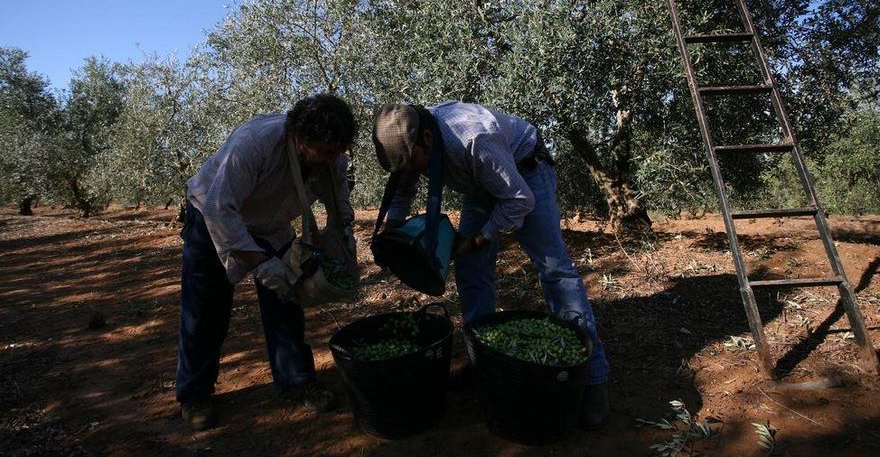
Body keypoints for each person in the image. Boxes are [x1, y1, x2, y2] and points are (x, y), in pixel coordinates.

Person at [372, 101, 611, 429]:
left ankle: (593, 376)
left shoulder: (473, 139)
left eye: (414, 163)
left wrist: (479, 239)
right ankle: (482, 359)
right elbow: (402, 190)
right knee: (470, 271)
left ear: (427, 138)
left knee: (555, 270)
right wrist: (393, 230)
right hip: (480, 183)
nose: (413, 171)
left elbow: (519, 200)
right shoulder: (412, 138)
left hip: (526, 172)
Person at [176, 94, 358, 431]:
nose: (333, 159)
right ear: (300, 139)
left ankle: (296, 381)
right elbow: (219, 207)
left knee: (287, 301)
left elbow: (339, 204)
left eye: (338, 151)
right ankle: (194, 395)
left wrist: (342, 240)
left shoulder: (334, 160)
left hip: (272, 226)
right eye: (326, 152)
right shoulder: (255, 142)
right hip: (213, 218)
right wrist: (262, 265)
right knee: (206, 310)